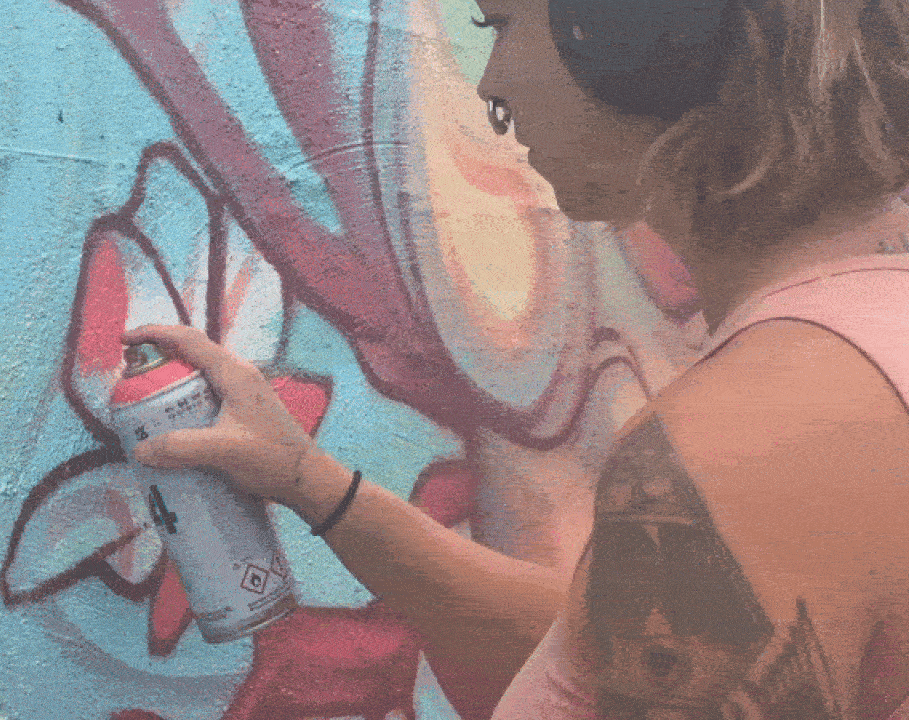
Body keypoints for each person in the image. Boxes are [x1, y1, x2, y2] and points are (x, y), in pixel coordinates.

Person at [124, 0, 909, 717]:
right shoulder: (855, 350)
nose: (491, 85)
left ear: (635, 35)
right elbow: (614, 651)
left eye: (499, 25)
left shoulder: (735, 447)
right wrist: (309, 483)